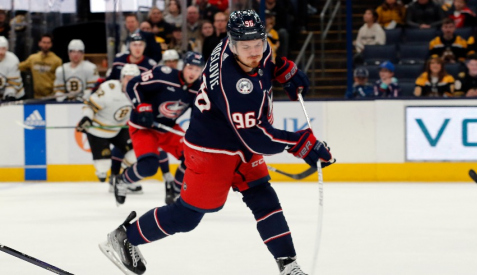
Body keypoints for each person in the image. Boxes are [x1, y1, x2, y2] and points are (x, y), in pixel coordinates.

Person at [99, 10, 333, 275]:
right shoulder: (233, 84)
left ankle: (288, 266)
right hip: (211, 149)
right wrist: (302, 143)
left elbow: (265, 60)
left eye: (259, 43)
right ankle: (126, 237)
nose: (255, 51)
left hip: (239, 142)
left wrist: (281, 69)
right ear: (232, 45)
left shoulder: (245, 44)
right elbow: (258, 137)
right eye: (247, 47)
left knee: (264, 198)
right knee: (187, 216)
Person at [111, 51, 204, 206]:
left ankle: (174, 191)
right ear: (183, 66)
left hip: (167, 128)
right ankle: (122, 180)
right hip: (143, 127)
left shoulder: (199, 88)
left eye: (197, 69)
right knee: (149, 167)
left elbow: (197, 115)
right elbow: (133, 84)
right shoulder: (163, 74)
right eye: (190, 68)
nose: (193, 73)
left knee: (193, 158)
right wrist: (141, 106)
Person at [76, 64, 139, 189]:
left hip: (118, 128)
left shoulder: (139, 92)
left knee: (137, 152)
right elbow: (90, 105)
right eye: (127, 78)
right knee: (104, 165)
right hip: (97, 130)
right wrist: (86, 118)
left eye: (133, 78)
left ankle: (119, 178)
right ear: (122, 78)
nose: (130, 81)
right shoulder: (109, 88)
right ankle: (101, 171)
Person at [18, 34, 62, 98]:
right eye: (44, 42)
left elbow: (60, 79)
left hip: (52, 96)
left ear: (51, 44)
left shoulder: (57, 60)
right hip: (36, 96)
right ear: (39, 43)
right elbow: (18, 67)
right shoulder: (33, 58)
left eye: (48, 43)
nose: (46, 45)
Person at [0, 36, 23, 101]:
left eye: (3, 49)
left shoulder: (13, 59)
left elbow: (13, 83)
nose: (1, 52)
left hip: (15, 95)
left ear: (7, 48)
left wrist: (9, 96)